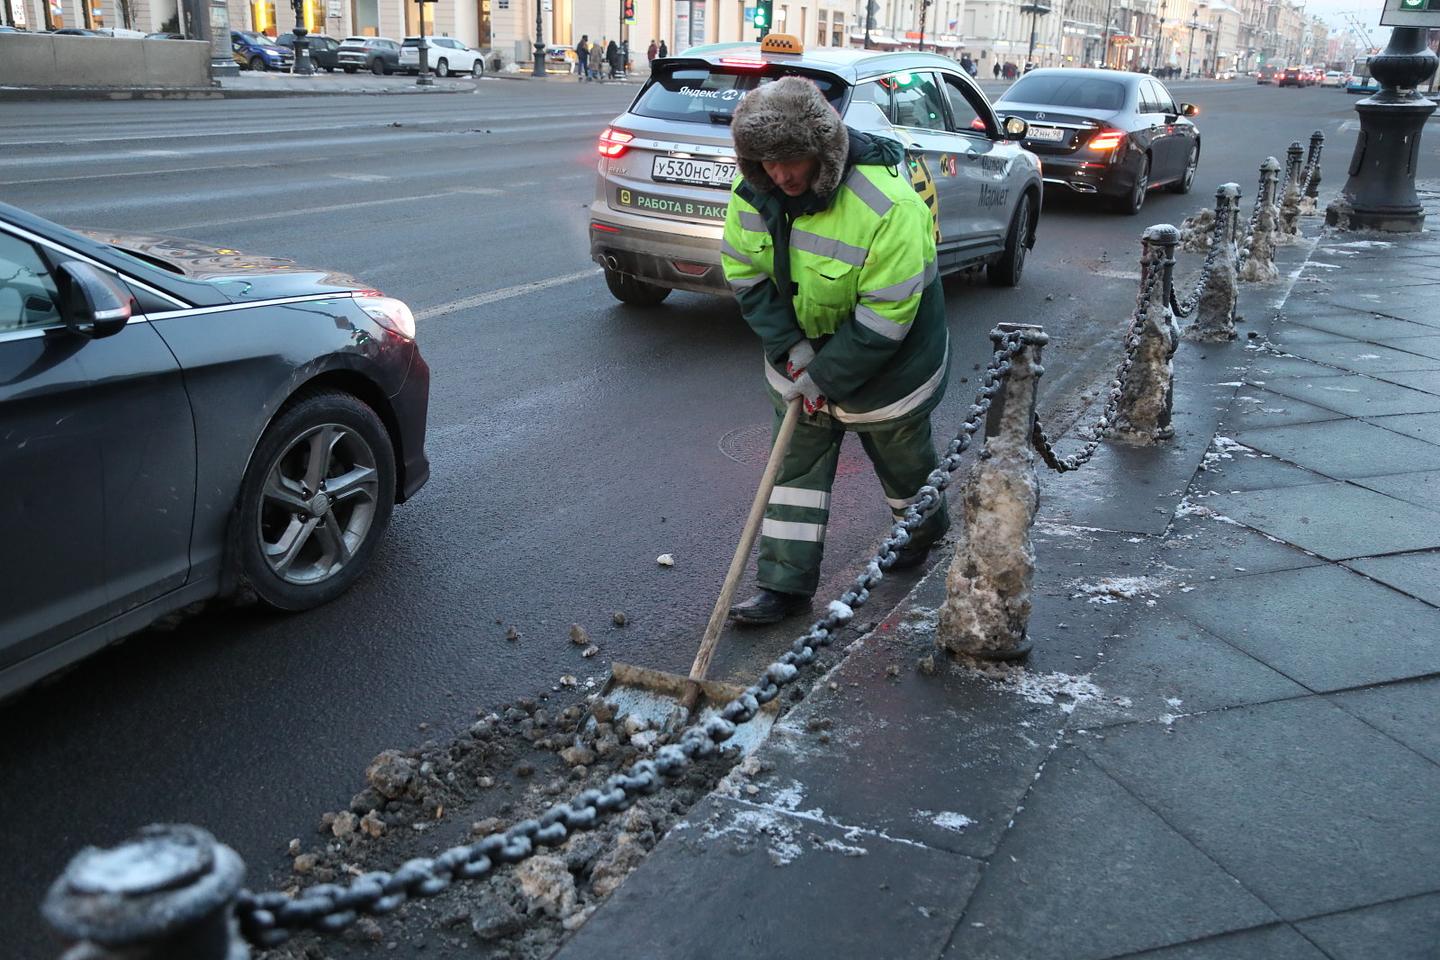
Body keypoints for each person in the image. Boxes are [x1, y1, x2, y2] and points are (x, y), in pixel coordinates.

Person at [720, 77, 951, 625]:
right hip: (801, 350)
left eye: (790, 161)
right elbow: (747, 276)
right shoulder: (751, 193)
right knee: (795, 469)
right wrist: (793, 352)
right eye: (766, 163)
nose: (779, 175)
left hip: (892, 359)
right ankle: (784, 586)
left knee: (902, 461)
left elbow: (885, 316)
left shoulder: (888, 206)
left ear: (822, 150)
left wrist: (827, 376)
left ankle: (920, 532)